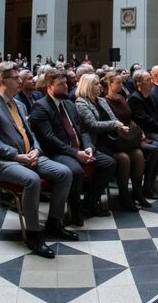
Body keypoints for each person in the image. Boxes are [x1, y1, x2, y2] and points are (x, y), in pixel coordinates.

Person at [0, 62, 78, 258]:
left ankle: (54, 222)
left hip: (29, 156)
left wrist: (37, 151)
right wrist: (16, 155)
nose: (20, 81)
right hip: (4, 162)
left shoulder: (20, 105)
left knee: (65, 173)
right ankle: (33, 234)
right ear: (4, 80)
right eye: (16, 78)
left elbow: (31, 133)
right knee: (31, 180)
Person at [30, 72, 115, 223]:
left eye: (66, 83)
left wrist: (88, 147)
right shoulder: (40, 107)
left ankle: (89, 203)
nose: (65, 86)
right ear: (49, 86)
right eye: (60, 84)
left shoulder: (69, 104)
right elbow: (49, 139)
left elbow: (82, 129)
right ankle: (76, 213)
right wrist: (76, 153)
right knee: (75, 171)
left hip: (78, 149)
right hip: (56, 152)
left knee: (109, 162)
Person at [74, 72, 146, 211]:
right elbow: (92, 125)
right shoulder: (81, 103)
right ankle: (124, 196)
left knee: (138, 154)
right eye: (96, 84)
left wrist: (121, 126)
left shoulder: (100, 101)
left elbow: (114, 119)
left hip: (111, 139)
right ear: (88, 86)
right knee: (124, 158)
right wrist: (115, 125)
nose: (100, 86)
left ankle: (137, 193)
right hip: (96, 142)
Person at [105, 70, 158, 201]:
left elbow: (130, 116)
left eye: (122, 82)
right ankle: (139, 190)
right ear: (109, 84)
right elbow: (113, 122)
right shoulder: (105, 101)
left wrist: (138, 130)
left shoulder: (121, 98)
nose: (121, 85)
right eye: (118, 83)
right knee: (154, 150)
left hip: (132, 135)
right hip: (121, 137)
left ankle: (148, 186)